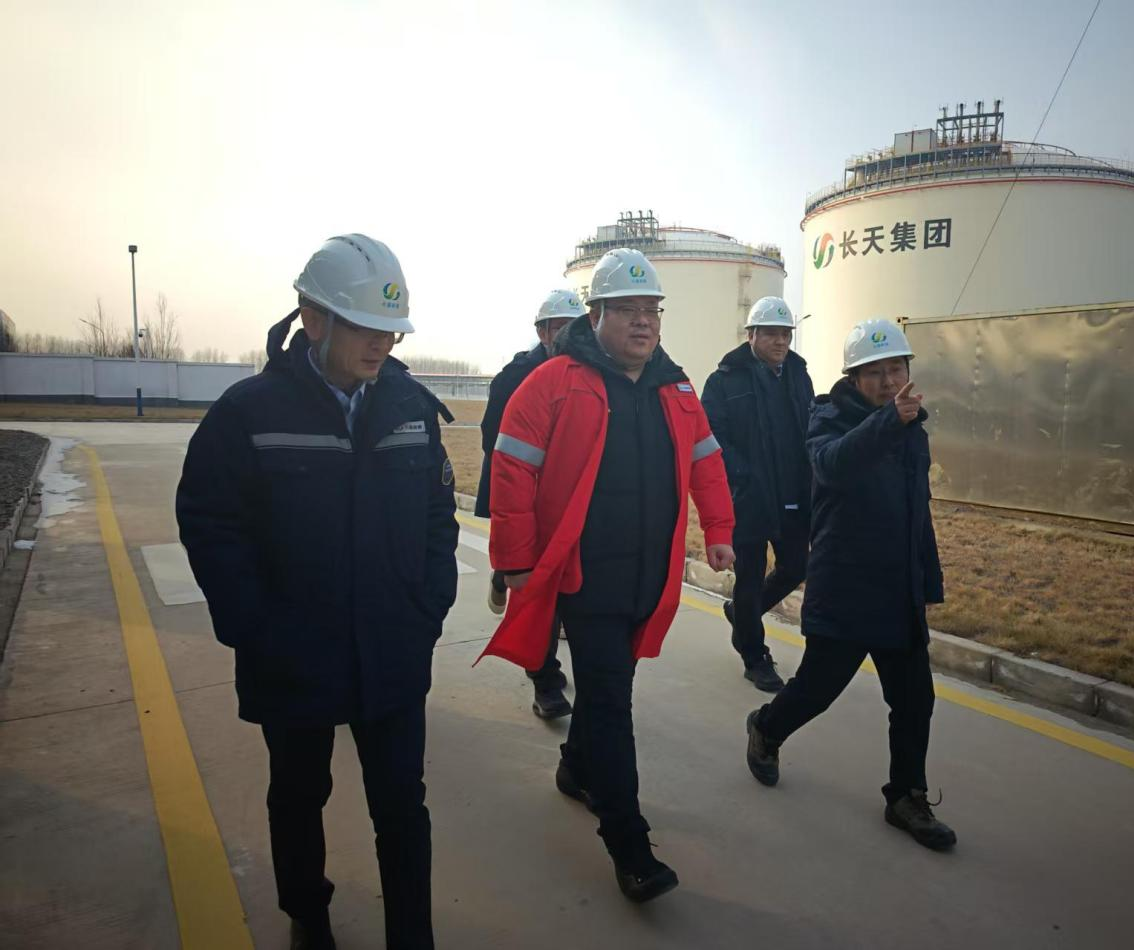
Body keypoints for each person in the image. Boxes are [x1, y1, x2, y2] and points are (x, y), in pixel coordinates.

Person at [176, 234, 459, 949]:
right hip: (294, 654)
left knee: (402, 805)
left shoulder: (409, 406)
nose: (381, 344)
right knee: (300, 794)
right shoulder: (250, 413)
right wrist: (253, 626)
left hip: (392, 648)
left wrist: (427, 606)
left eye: (390, 330)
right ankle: (308, 913)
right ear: (312, 318)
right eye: (364, 327)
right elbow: (210, 522)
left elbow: (437, 515)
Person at [482, 247, 735, 902]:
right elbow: (511, 471)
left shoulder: (676, 389)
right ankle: (629, 844)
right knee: (611, 702)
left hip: (649, 578)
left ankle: (574, 768)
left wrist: (720, 531)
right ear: (594, 315)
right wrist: (513, 559)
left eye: (652, 309)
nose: (643, 321)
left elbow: (707, 461)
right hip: (584, 577)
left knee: (605, 691)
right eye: (627, 309)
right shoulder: (554, 382)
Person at [743, 317, 957, 852]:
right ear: (853, 379)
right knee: (817, 690)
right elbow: (832, 467)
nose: (889, 381)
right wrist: (888, 421)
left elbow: (917, 512)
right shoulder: (829, 418)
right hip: (847, 586)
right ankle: (767, 728)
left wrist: (927, 580)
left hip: (899, 590)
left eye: (896, 369)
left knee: (915, 700)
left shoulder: (912, 429)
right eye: (875, 372)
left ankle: (906, 796)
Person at [475, 290, 584, 720]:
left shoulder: (596, 373)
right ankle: (545, 681)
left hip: (574, 503)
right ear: (542, 332)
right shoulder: (516, 376)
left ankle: (504, 571)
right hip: (530, 501)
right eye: (561, 326)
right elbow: (494, 442)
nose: (571, 334)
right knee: (539, 596)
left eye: (578, 325)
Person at [701, 296, 813, 692]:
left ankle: (742, 614)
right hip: (748, 497)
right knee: (748, 578)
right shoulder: (724, 380)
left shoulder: (799, 373)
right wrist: (743, 476)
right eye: (771, 334)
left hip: (793, 493)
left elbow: (811, 424)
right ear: (751, 335)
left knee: (796, 567)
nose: (780, 341)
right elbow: (712, 435)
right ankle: (754, 656)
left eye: (785, 334)